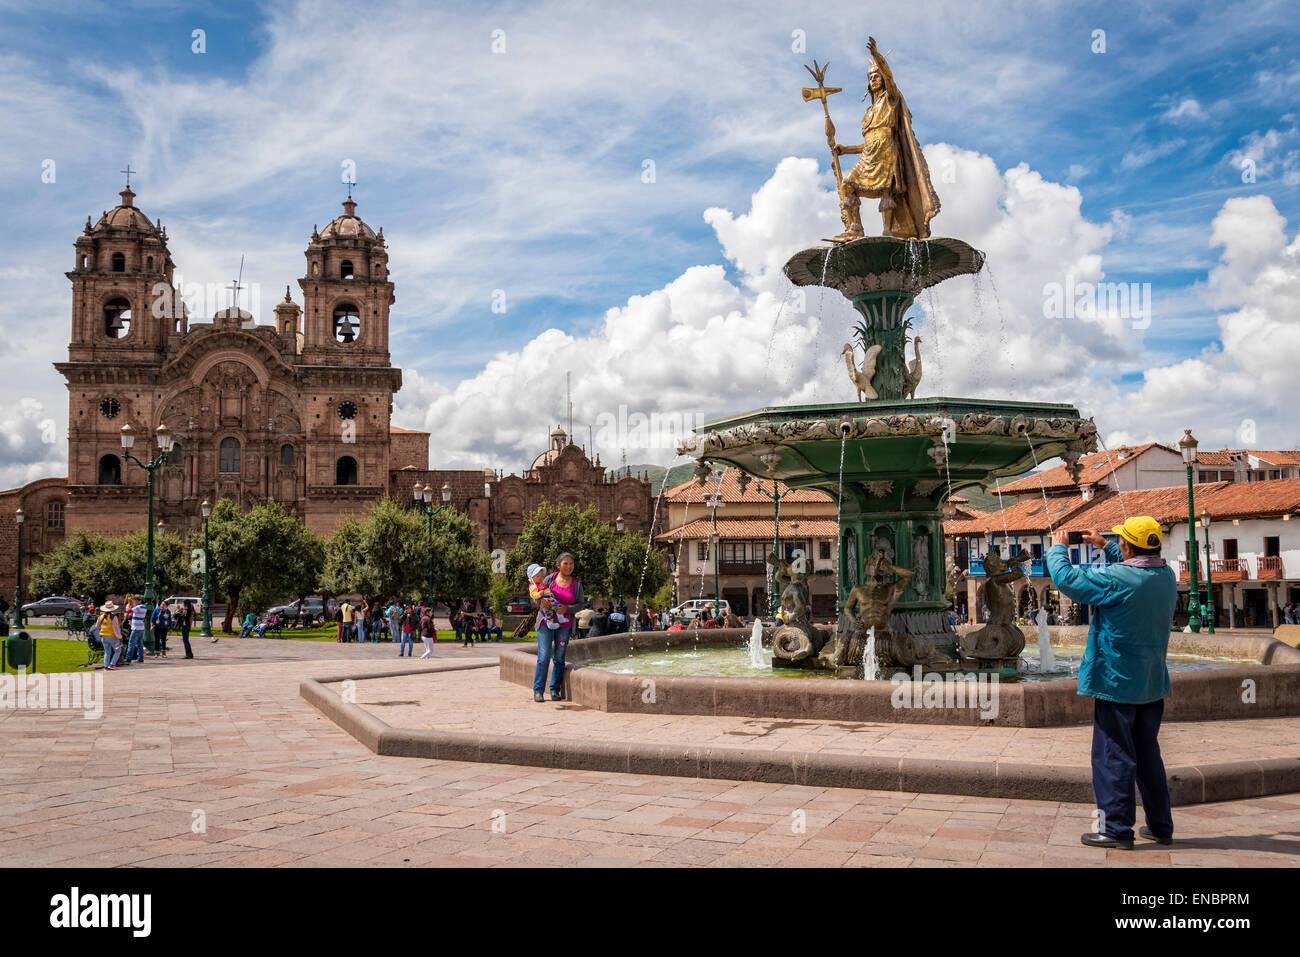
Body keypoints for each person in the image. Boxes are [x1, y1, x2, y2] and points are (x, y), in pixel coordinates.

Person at [1046, 518, 1178, 850]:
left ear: (1130, 546)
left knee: (1113, 755)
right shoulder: (1166, 576)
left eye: (1123, 542)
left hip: (1115, 681)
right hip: (1150, 682)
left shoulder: (1117, 579)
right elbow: (1136, 567)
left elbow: (1068, 580)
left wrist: (1058, 548)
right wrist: (1107, 546)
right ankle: (1161, 826)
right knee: (1148, 755)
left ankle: (1116, 829)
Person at [530, 555, 585, 702]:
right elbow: (534, 593)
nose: (569, 566)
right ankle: (538, 690)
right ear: (558, 565)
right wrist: (541, 600)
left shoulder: (577, 584)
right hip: (545, 623)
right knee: (543, 657)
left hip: (564, 625)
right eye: (565, 563)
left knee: (560, 658)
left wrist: (567, 609)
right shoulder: (548, 579)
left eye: (571, 563)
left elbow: (581, 604)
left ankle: (554, 690)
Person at [97, 601, 123, 670]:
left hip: (103, 636)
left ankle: (106, 666)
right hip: (112, 637)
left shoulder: (101, 616)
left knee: (107, 652)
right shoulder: (113, 617)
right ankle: (112, 664)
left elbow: (97, 626)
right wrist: (120, 637)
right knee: (118, 651)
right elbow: (116, 628)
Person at [125, 596, 148, 664]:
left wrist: (129, 603)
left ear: (140, 601)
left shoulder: (138, 607)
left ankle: (128, 658)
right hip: (141, 628)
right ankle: (140, 658)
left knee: (131, 643)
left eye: (136, 600)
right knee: (140, 644)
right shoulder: (144, 607)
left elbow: (128, 611)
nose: (135, 601)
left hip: (136, 628)